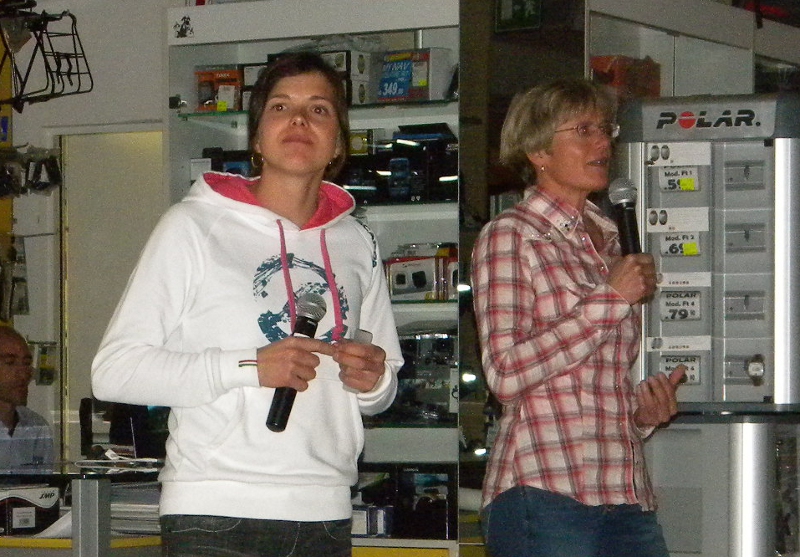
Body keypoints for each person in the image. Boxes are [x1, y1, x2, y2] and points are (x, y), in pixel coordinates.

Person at [91, 51, 403, 557]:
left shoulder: (357, 241)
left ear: (338, 142)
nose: (299, 120)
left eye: (318, 109)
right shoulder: (192, 226)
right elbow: (114, 372)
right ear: (256, 139)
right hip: (213, 512)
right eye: (281, 107)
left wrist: (374, 381)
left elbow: (382, 382)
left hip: (325, 512)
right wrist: (250, 366)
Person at [470, 78, 686, 557]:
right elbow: (505, 372)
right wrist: (611, 298)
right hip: (544, 493)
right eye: (584, 131)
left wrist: (642, 416)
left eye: (606, 129)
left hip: (626, 493)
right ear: (538, 151)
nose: (603, 143)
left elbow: (591, 385)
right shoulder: (512, 235)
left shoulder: (612, 242)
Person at [0, 325, 54, 473]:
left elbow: (46, 484)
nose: (23, 373)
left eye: (26, 363)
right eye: (10, 363)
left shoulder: (37, 428)